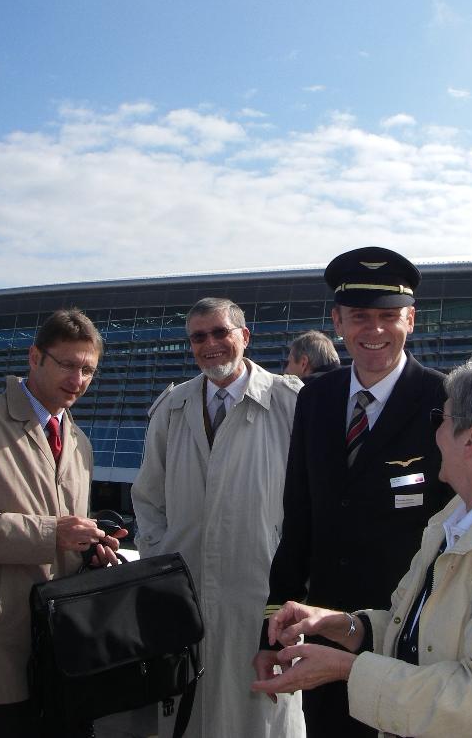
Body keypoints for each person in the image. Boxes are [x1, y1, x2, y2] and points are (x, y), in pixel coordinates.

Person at [252, 354, 472, 738]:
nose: (433, 434)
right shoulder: (457, 517)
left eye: (439, 421)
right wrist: (341, 625)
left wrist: (345, 669)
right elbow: (420, 637)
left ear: (470, 440)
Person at [254, 247, 453, 738]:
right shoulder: (315, 399)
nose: (375, 330)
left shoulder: (444, 400)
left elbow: (454, 532)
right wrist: (272, 629)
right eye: (360, 316)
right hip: (325, 635)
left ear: (411, 319)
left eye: (389, 316)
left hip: (409, 637)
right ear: (337, 321)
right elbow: (298, 519)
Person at [132, 297, 305, 738]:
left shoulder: (290, 403)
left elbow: (313, 501)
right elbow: (148, 498)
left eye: (220, 332)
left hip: (262, 597)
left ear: (244, 336)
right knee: (189, 713)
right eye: (198, 336)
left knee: (262, 715)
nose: (210, 344)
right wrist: (161, 560)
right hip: (183, 597)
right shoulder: (172, 408)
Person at [0, 309, 125, 738]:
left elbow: (68, 530)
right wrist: (52, 534)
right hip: (0, 646)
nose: (79, 379)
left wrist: (92, 549)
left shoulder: (79, 442)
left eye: (88, 370)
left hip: (61, 646)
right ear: (34, 357)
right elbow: (55, 529)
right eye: (68, 364)